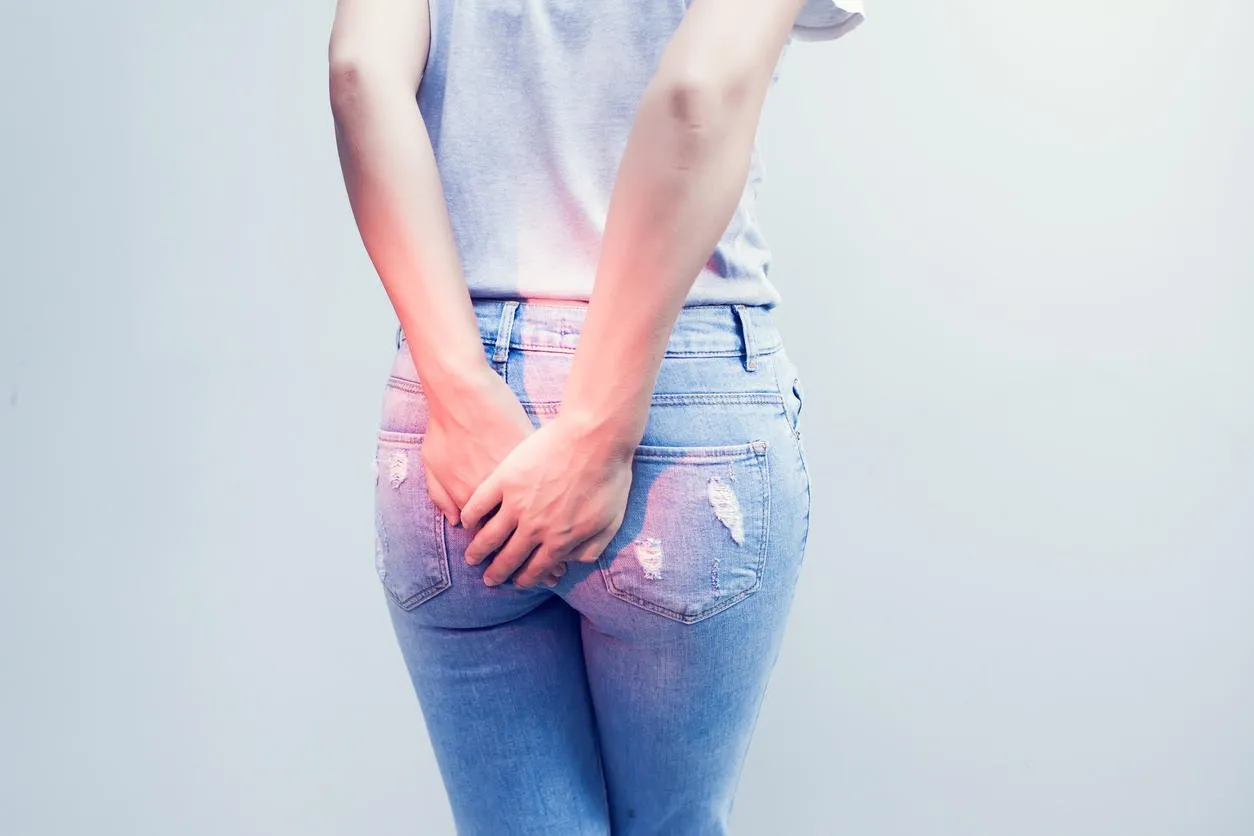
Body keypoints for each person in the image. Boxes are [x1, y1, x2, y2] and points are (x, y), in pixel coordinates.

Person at [328, 0, 864, 832]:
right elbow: (698, 93)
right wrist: (596, 431)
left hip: (455, 414)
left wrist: (459, 390)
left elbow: (361, 70)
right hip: (673, 411)